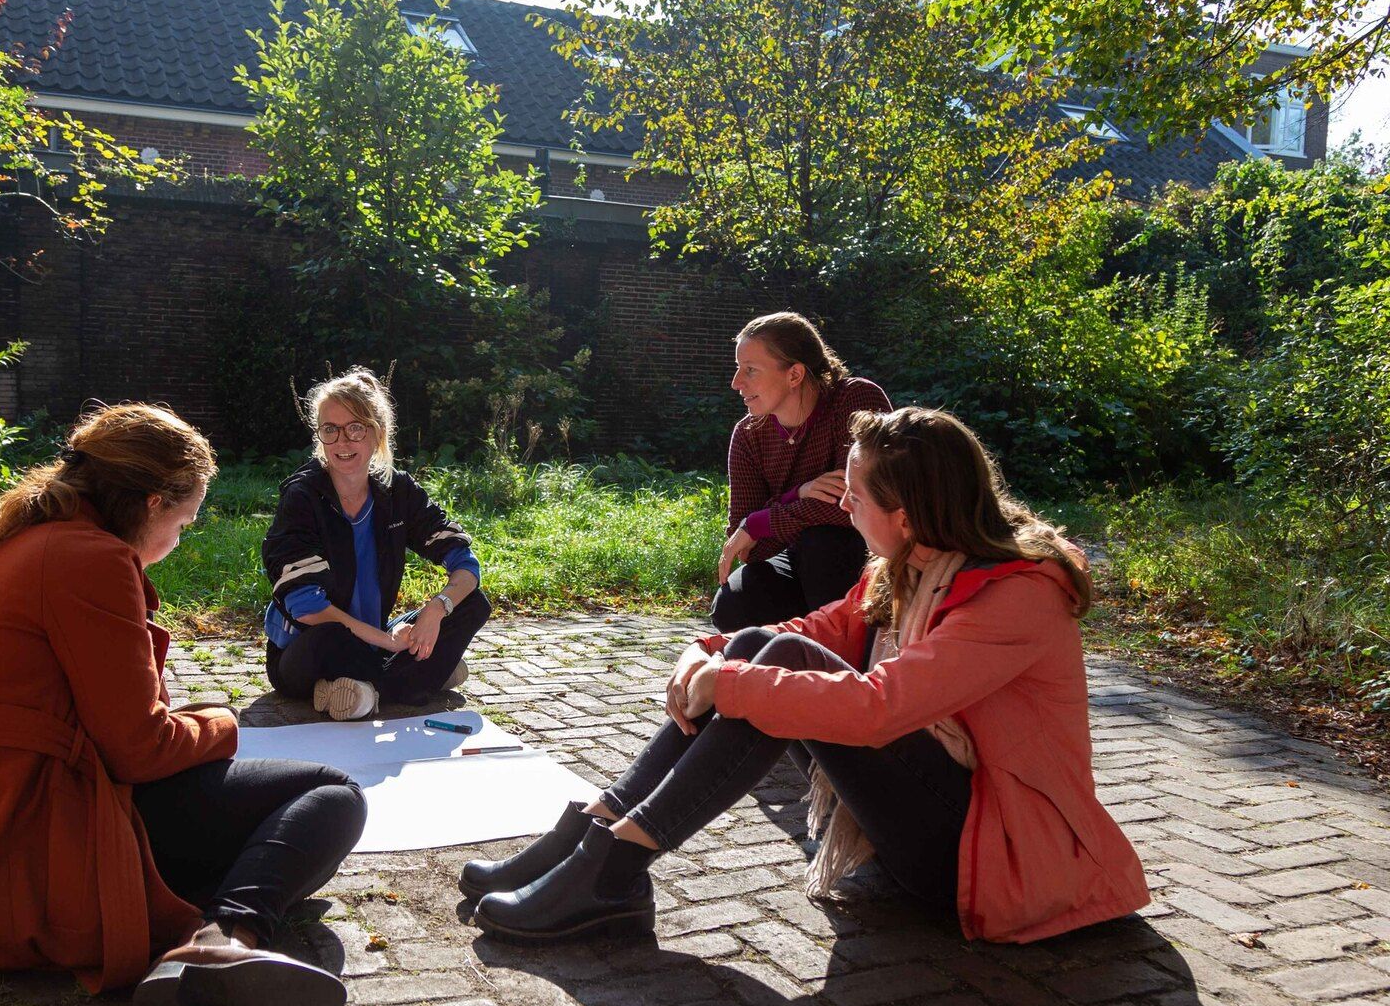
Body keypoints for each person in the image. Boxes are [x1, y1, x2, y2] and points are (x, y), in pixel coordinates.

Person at [464, 407, 1149, 946]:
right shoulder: (909, 565)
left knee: (773, 674)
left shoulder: (1018, 595)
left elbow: (881, 708)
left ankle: (613, 869)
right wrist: (706, 652)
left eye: (853, 496)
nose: (842, 507)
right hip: (935, 818)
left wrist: (724, 682)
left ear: (905, 516)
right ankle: (600, 833)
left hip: (995, 855)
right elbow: (804, 632)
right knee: (763, 644)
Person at [0, 404, 366, 1006]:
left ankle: (209, 922)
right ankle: (225, 939)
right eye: (185, 520)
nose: (180, 539)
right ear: (151, 503)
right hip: (19, 847)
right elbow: (139, 750)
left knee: (266, 826)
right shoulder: (90, 558)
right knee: (332, 795)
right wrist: (224, 724)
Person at [263, 368, 490, 721]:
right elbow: (306, 606)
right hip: (309, 650)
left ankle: (366, 692)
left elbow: (465, 562)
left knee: (472, 604)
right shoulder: (302, 496)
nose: (342, 442)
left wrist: (436, 610)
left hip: (373, 640)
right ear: (319, 435)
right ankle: (417, 679)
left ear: (377, 433)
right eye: (330, 430)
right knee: (332, 637)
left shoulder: (397, 490)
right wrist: (388, 642)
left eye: (355, 428)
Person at [712, 312, 892, 633]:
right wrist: (798, 494)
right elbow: (750, 547)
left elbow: (856, 503)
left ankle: (848, 665)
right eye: (738, 369)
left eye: (750, 370)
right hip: (800, 560)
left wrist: (763, 521)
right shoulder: (749, 435)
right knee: (734, 600)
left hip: (873, 554)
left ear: (794, 374)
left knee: (823, 543)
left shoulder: (855, 400)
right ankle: (786, 667)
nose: (736, 382)